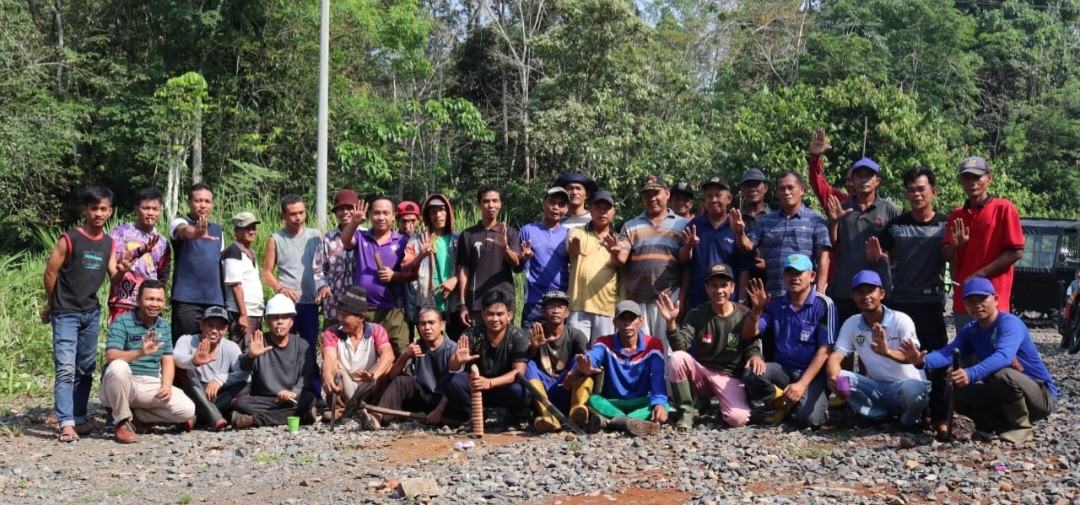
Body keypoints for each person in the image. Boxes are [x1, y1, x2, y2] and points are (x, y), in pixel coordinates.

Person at [900, 278, 1057, 445]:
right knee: (955, 390)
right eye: (970, 301)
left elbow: (1003, 356)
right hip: (1006, 395)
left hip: (1040, 395)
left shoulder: (1010, 324)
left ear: (995, 300)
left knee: (1000, 373)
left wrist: (970, 373)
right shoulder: (972, 330)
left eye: (982, 299)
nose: (977, 305)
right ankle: (998, 425)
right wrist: (921, 361)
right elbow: (948, 353)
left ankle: (1022, 427)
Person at [871, 167, 950, 435]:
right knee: (901, 359)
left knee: (937, 361)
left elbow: (952, 254)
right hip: (901, 303)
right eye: (911, 190)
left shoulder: (945, 225)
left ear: (933, 192)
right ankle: (912, 412)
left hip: (931, 303)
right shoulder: (896, 226)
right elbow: (880, 255)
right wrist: (876, 258)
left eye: (921, 189)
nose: (916, 194)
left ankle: (940, 416)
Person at [42, 186, 120, 442]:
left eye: (104, 209)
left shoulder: (109, 243)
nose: (99, 213)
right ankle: (65, 422)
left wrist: (124, 269)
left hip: (90, 313)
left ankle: (79, 417)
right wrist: (53, 304)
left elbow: (114, 276)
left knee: (85, 368)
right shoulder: (69, 239)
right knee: (65, 368)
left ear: (110, 211)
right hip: (65, 313)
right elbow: (50, 273)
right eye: (94, 208)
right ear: (85, 210)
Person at [659, 263, 764, 429]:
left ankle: (720, 402)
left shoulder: (744, 313)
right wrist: (671, 323)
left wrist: (755, 355)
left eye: (724, 285)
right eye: (714, 285)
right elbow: (681, 346)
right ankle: (686, 412)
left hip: (729, 378)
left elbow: (752, 342)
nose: (719, 290)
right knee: (677, 358)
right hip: (703, 374)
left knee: (738, 420)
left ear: (732, 288)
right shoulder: (697, 313)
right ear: (707, 288)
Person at [740, 254, 837, 428]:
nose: (794, 277)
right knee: (750, 373)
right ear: (784, 277)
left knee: (807, 420)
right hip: (783, 369)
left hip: (813, 375)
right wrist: (756, 311)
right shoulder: (776, 304)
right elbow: (748, 334)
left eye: (799, 273)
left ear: (812, 276)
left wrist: (801, 385)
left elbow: (825, 350)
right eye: (790, 273)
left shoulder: (824, 304)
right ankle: (782, 404)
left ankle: (815, 406)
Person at [825, 271, 929, 430]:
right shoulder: (852, 324)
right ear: (853, 296)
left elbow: (911, 357)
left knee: (915, 390)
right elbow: (836, 355)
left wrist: (887, 352)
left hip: (906, 388)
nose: (866, 296)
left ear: (881, 294)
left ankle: (907, 423)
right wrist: (833, 377)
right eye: (860, 292)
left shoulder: (901, 320)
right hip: (877, 388)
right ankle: (877, 416)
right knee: (840, 378)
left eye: (870, 291)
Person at [100, 280, 196, 443]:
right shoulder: (122, 322)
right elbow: (111, 355)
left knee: (187, 410)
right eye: (150, 299)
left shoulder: (163, 325)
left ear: (164, 303)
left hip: (150, 383)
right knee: (118, 367)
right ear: (138, 300)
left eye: (159, 300)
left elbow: (167, 358)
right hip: (123, 383)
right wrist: (140, 352)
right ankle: (123, 422)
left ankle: (137, 416)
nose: (154, 304)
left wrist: (166, 384)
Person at [942, 156, 1024, 330]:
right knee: (966, 353)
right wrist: (955, 244)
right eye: (967, 178)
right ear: (960, 181)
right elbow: (946, 255)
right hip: (964, 300)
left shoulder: (1004, 208)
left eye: (977, 177)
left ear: (989, 178)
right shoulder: (957, 214)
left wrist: (978, 275)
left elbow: (1016, 251)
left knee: (994, 353)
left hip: (994, 299)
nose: (972, 182)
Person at [571, 300, 668, 436]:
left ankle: (612, 422)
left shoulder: (653, 344)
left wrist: (659, 404)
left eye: (631, 318)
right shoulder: (604, 342)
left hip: (640, 401)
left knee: (663, 404)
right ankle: (629, 422)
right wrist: (585, 364)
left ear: (640, 321)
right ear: (615, 322)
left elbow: (658, 378)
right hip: (613, 402)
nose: (627, 323)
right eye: (622, 318)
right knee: (593, 400)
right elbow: (593, 356)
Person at [824, 157, 901, 323]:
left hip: (878, 289)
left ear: (878, 180)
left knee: (877, 341)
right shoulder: (842, 209)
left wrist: (883, 255)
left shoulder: (890, 209)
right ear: (852, 180)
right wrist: (834, 222)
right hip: (845, 289)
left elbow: (898, 250)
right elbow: (833, 244)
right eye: (859, 176)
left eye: (869, 176)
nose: (864, 180)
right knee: (845, 341)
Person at [618, 174, 689, 353]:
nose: (652, 198)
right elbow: (621, 260)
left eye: (656, 193)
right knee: (640, 352)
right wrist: (614, 252)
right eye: (647, 195)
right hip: (637, 299)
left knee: (669, 352)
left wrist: (683, 298)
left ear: (667, 194)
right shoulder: (630, 225)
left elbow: (688, 266)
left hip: (668, 298)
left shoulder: (683, 225)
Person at [731, 171, 831, 297]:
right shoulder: (767, 221)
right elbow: (747, 247)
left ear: (801, 190)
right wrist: (739, 233)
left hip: (804, 298)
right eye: (782, 189)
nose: (787, 192)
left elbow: (824, 257)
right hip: (773, 296)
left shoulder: (816, 220)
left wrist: (820, 293)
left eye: (790, 188)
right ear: (777, 193)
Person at [231, 294, 319, 429]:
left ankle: (255, 420)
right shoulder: (258, 341)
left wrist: (294, 392)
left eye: (285, 317)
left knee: (309, 399)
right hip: (263, 399)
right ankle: (301, 416)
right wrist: (251, 356)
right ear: (267, 322)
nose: (280, 322)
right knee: (240, 403)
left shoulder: (302, 345)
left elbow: (307, 375)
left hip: (291, 398)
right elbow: (243, 366)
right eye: (275, 318)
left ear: (291, 322)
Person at [445, 290, 531, 425]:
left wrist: (490, 383)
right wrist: (458, 360)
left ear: (509, 315)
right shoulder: (471, 334)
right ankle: (475, 413)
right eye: (490, 314)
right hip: (477, 387)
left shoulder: (518, 335)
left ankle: (510, 416)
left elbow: (519, 372)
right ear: (483, 315)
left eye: (500, 314)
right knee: (450, 380)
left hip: (504, 387)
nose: (495, 319)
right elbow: (452, 367)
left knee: (521, 390)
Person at [341, 196, 411, 355]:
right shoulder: (361, 236)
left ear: (393, 215)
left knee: (399, 351)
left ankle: (399, 380)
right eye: (377, 213)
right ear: (370, 215)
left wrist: (395, 276)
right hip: (365, 309)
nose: (381, 217)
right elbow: (345, 241)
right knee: (367, 353)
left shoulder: (403, 241)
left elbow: (411, 274)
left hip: (393, 309)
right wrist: (354, 222)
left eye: (386, 213)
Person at [262, 194, 322, 374]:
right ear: (283, 216)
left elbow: (323, 266)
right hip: (286, 305)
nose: (298, 218)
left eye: (301, 213)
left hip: (310, 302)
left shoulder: (315, 236)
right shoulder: (276, 239)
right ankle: (277, 385)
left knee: (309, 347)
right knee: (281, 346)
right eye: (293, 214)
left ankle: (312, 391)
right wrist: (281, 289)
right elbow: (266, 272)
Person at [320, 286, 395, 429]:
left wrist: (373, 374)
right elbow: (329, 358)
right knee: (333, 369)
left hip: (368, 386)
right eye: (339, 314)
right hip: (345, 387)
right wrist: (327, 374)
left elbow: (388, 354)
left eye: (345, 316)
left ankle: (364, 409)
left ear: (360, 317)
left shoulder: (376, 330)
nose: (339, 319)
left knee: (387, 367)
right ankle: (349, 408)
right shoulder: (332, 332)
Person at [374, 307, 459, 426]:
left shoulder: (453, 349)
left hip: (445, 399)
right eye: (422, 324)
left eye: (431, 323)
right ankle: (377, 418)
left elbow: (456, 384)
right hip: (422, 397)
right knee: (401, 381)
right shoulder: (414, 347)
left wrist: (439, 410)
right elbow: (391, 377)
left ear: (442, 325)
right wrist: (405, 356)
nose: (427, 328)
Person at [522, 291, 591, 433]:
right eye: (551, 306)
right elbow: (520, 364)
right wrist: (533, 348)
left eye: (560, 307)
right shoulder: (533, 332)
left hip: (565, 384)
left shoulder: (575, 334)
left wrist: (579, 368)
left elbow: (589, 360)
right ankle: (548, 418)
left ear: (567, 312)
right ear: (542, 311)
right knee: (528, 365)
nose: (555, 311)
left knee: (580, 362)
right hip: (541, 389)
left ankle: (576, 412)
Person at [174, 306, 249, 431]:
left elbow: (243, 373)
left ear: (225, 329)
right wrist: (194, 361)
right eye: (210, 325)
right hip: (194, 389)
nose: (214, 330)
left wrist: (220, 379)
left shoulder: (231, 347)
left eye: (220, 327)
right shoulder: (186, 340)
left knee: (244, 384)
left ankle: (195, 417)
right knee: (185, 377)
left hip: (218, 391)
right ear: (201, 325)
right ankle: (214, 417)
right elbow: (176, 358)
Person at [456, 186, 521, 328]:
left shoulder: (510, 233)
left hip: (504, 303)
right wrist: (462, 304)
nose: (491, 205)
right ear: (479, 204)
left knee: (503, 346)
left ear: (500, 204)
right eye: (486, 201)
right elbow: (463, 271)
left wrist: (505, 248)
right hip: (476, 304)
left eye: (495, 201)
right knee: (477, 346)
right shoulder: (468, 235)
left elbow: (516, 262)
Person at [684, 176, 752, 309]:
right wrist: (688, 246)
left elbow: (745, 267)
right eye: (709, 196)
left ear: (729, 198)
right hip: (698, 303)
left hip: (730, 304)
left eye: (718, 195)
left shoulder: (738, 226)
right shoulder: (694, 225)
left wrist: (742, 300)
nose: (713, 200)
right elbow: (684, 262)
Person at [566, 190, 626, 342]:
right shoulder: (578, 232)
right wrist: (573, 248)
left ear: (613, 211)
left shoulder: (617, 239)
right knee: (577, 356)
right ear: (590, 209)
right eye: (598, 207)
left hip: (605, 308)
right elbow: (570, 245)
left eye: (606, 208)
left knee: (601, 355)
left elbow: (621, 262)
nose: (602, 212)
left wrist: (614, 252)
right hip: (577, 306)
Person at [169, 182, 224, 342]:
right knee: (184, 346)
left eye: (207, 201)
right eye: (198, 200)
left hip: (214, 299)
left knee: (211, 346)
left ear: (212, 204)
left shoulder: (218, 230)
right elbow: (183, 231)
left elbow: (219, 264)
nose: (203, 205)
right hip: (187, 299)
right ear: (189, 202)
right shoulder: (179, 222)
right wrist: (196, 233)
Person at [402, 194, 462, 340]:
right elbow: (405, 271)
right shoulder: (416, 241)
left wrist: (455, 280)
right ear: (427, 215)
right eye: (433, 211)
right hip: (427, 302)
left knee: (458, 345)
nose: (438, 215)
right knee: (431, 347)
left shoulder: (459, 240)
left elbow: (471, 269)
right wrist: (421, 255)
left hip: (455, 303)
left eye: (441, 210)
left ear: (449, 212)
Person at [107, 187, 171, 325]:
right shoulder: (119, 233)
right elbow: (112, 266)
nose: (150, 213)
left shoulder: (163, 243)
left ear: (161, 211)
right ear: (136, 209)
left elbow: (162, 277)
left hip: (150, 306)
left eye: (155, 209)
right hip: (122, 302)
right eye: (145, 208)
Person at [517, 187, 570, 328]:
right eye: (552, 202)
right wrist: (524, 258)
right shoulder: (527, 231)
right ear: (543, 203)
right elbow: (517, 267)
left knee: (557, 347)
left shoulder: (569, 234)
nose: (555, 208)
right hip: (534, 301)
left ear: (566, 209)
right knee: (530, 345)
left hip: (560, 301)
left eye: (561, 204)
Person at [313, 189, 366, 326]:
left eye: (349, 208)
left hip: (359, 303)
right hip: (334, 303)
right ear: (336, 213)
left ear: (357, 209)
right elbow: (318, 268)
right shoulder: (328, 239)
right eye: (340, 209)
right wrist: (322, 286)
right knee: (331, 342)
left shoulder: (366, 236)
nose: (345, 212)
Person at [222, 211, 264, 344]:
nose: (252, 231)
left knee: (254, 350)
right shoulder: (233, 251)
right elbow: (235, 285)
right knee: (241, 353)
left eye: (253, 228)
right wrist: (243, 314)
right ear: (236, 230)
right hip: (241, 312)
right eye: (247, 228)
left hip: (254, 311)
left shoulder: (249, 252)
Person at [396, 200, 422, 341]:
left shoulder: (423, 240)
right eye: (404, 221)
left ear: (419, 220)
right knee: (404, 338)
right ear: (397, 221)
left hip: (420, 294)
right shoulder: (393, 242)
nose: (408, 226)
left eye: (412, 221)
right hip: (400, 296)